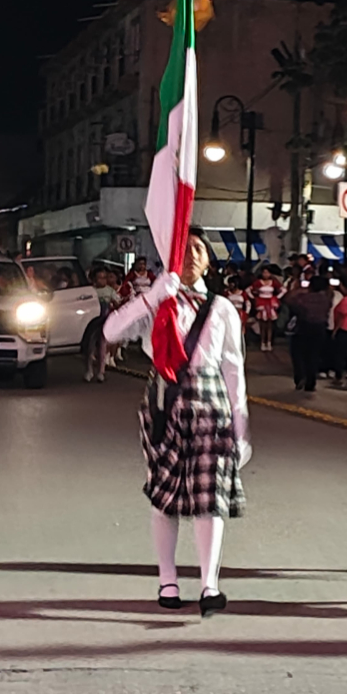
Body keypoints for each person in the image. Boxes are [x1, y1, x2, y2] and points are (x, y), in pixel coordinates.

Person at [103, 228, 250, 616]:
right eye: (182, 249)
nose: (189, 256)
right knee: (164, 492)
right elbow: (111, 331)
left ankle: (209, 584)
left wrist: (241, 423)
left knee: (209, 495)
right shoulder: (154, 301)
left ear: (209, 260)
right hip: (163, 396)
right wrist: (152, 297)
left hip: (210, 397)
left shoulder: (222, 308)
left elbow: (234, 368)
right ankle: (167, 579)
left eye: (198, 249)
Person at [291, 275, 333, 391]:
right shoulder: (326, 299)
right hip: (320, 328)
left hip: (304, 326)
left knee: (298, 354)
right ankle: (311, 382)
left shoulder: (303, 297)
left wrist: (297, 289)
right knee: (313, 355)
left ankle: (300, 377)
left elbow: (291, 302)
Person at [246, 265, 284, 352]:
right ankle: (263, 342)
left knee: (270, 325)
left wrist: (277, 298)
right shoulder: (258, 282)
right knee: (262, 325)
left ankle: (269, 342)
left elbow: (283, 290)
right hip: (262, 304)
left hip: (271, 304)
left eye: (267, 272)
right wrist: (255, 298)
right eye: (264, 272)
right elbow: (248, 290)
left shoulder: (274, 282)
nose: (266, 274)